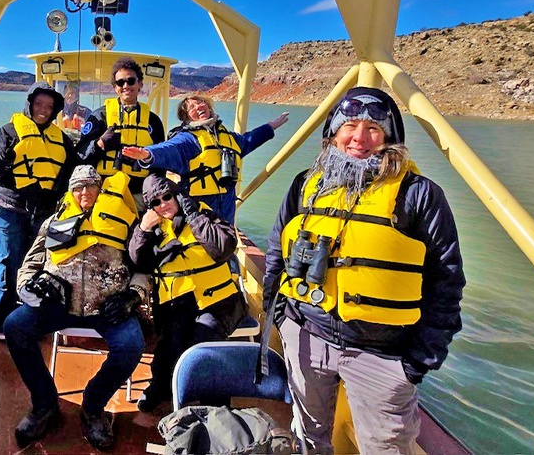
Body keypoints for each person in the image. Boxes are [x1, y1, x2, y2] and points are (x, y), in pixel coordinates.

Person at [259, 87, 465, 455]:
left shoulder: (419, 196)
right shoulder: (306, 185)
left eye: (373, 128)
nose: (359, 137)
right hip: (306, 336)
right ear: (334, 132)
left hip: (382, 355)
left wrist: (417, 363)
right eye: (350, 125)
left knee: (384, 448)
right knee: (308, 435)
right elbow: (278, 248)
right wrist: (280, 318)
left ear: (389, 137)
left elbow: (446, 281)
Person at [3, 166, 149, 450]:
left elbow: (144, 268)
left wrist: (133, 296)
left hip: (107, 306)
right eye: (78, 187)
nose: (84, 192)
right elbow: (31, 262)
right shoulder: (54, 222)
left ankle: (94, 405)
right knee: (14, 327)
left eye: (90, 186)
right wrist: (25, 288)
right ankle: (45, 404)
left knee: (131, 344)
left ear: (101, 189)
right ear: (70, 192)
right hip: (57, 304)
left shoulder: (125, 222)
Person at [127, 174, 245, 412]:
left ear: (177, 195)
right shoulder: (151, 227)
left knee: (203, 346)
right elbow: (138, 262)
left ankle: (215, 409)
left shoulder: (203, 213)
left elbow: (223, 248)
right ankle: (160, 388)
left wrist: (193, 215)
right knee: (168, 346)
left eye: (168, 196)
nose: (164, 204)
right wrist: (143, 228)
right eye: (156, 202)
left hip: (218, 302)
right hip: (175, 304)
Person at [0, 82, 74, 340]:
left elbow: (70, 173)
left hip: (44, 212)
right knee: (8, 262)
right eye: (39, 104)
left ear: (55, 111)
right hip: (11, 209)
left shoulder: (62, 140)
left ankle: (34, 318)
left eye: (49, 106)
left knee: (42, 266)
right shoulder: (7, 132)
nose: (43, 110)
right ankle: (4, 321)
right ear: (29, 104)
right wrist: (4, 157)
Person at [121, 94, 289, 223]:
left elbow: (248, 141)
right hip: (200, 205)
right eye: (191, 107)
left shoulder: (227, 136)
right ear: (187, 117)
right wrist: (147, 154)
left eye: (200, 102)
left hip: (227, 202)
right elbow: (169, 149)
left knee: (226, 244)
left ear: (208, 106)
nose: (198, 107)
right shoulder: (188, 139)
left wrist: (270, 127)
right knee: (203, 245)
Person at [76, 57, 166, 207]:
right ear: (114, 87)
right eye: (120, 82)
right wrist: (99, 144)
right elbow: (80, 156)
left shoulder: (153, 121)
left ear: (140, 84)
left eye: (131, 81)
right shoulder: (99, 117)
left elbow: (161, 161)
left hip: (140, 195)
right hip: (103, 193)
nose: (126, 86)